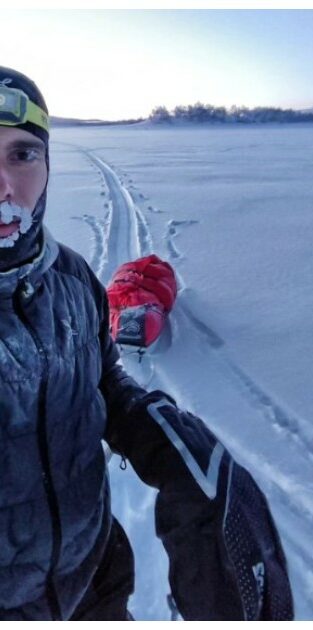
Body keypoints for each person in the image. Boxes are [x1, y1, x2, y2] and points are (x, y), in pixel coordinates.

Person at [0, 66, 293, 621]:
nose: (3, 186)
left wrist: (170, 439)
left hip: (94, 583)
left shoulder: (70, 277)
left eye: (22, 154)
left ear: (46, 166)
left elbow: (100, 380)